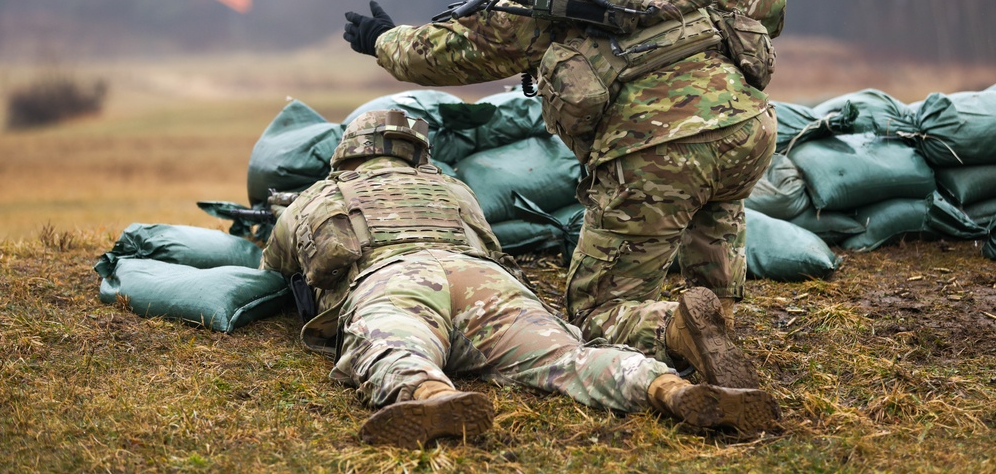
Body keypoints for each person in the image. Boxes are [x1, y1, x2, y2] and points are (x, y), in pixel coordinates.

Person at [342, 0, 785, 377]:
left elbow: (445, 54)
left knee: (598, 314)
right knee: (715, 212)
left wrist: (382, 39)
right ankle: (716, 325)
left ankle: (677, 330)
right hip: (748, 129)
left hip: (655, 152)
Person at [260, 109, 780, 449]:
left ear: (349, 151)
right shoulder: (454, 189)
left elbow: (273, 266)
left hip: (394, 279)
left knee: (394, 344)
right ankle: (667, 387)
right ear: (417, 154)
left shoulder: (319, 197)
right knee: (567, 359)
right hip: (484, 280)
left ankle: (429, 397)